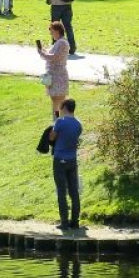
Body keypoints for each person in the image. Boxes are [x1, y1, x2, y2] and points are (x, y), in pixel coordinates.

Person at [48, 98, 83, 230]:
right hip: (72, 160)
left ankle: (64, 223)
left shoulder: (60, 122)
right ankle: (75, 222)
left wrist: (53, 127)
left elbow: (52, 137)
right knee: (74, 191)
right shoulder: (78, 124)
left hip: (60, 159)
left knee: (62, 191)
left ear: (64, 108)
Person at [39, 21, 71, 119]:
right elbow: (51, 54)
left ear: (57, 31)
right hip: (55, 76)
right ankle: (58, 120)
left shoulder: (62, 43)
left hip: (58, 76)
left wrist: (41, 53)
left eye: (52, 32)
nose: (51, 34)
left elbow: (54, 57)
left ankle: (58, 121)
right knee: (56, 101)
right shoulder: (59, 42)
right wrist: (43, 51)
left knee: (58, 101)